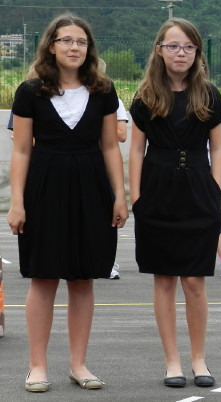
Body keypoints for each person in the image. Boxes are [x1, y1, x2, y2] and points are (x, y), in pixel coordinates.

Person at [7, 14, 128, 393]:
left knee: (82, 278)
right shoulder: (29, 92)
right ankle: (37, 366)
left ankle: (79, 365)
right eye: (66, 40)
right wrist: (16, 202)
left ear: (89, 49)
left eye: (81, 41)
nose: (74, 47)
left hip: (92, 190)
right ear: (51, 45)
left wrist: (120, 196)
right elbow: (21, 151)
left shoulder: (104, 91)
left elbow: (110, 147)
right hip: (44, 189)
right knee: (43, 278)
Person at [129, 18, 221, 389]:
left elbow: (218, 147)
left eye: (188, 46)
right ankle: (172, 360)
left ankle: (199, 358)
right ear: (159, 50)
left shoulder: (209, 95)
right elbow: (136, 149)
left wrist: (214, 190)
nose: (180, 53)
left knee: (195, 282)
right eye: (173, 46)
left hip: (198, 189)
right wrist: (136, 197)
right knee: (164, 280)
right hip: (157, 189)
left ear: (197, 52)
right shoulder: (146, 96)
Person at [98, 58, 128, 279]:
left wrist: (98, 124)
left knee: (105, 214)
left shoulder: (113, 100)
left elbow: (122, 135)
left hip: (103, 165)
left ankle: (108, 261)